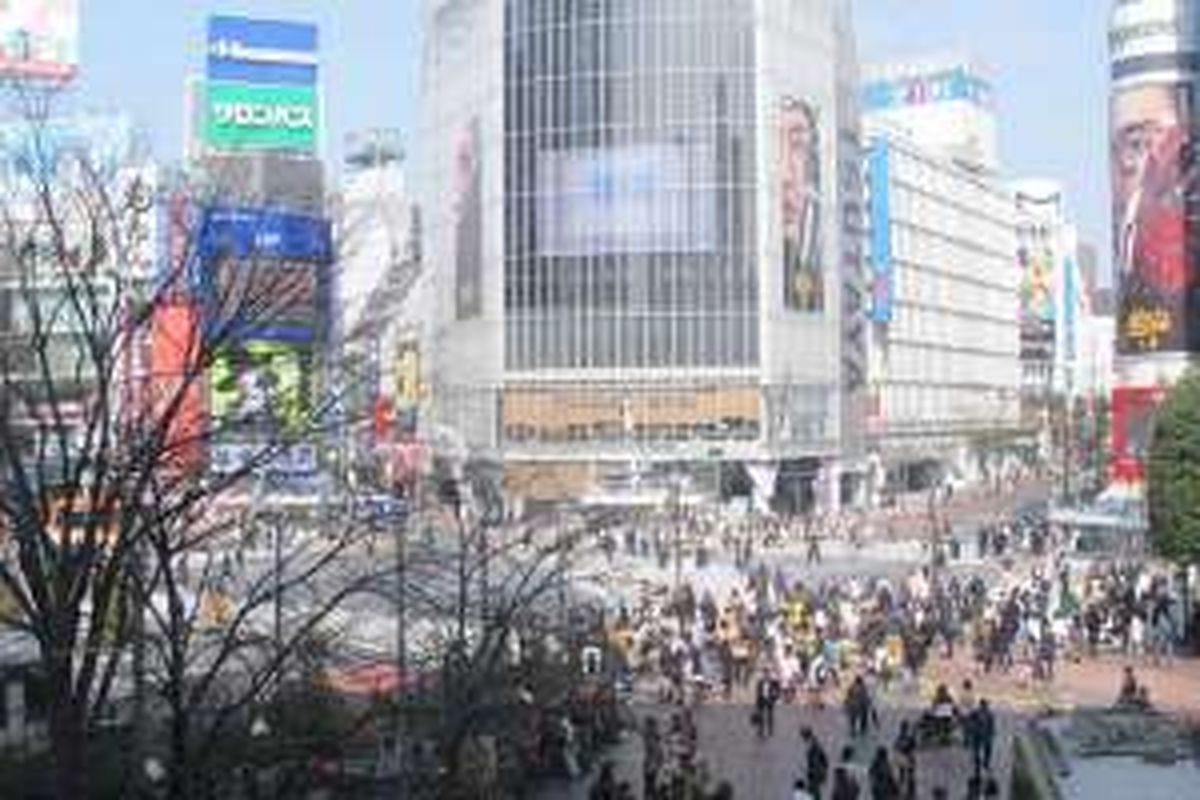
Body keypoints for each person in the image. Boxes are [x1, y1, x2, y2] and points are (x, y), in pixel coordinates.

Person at [965, 700, 995, 776]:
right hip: (978, 734)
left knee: (986, 748)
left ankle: (984, 762)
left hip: (982, 734)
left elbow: (991, 725)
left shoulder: (989, 714)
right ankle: (980, 762)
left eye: (985, 706)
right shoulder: (977, 712)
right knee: (979, 749)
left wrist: (991, 733)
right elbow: (969, 720)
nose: (984, 707)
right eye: (984, 705)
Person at [802, 727, 830, 800]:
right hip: (815, 772)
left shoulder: (813, 745)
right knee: (813, 791)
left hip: (816, 773)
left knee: (814, 791)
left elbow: (815, 761)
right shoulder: (813, 742)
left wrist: (811, 772)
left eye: (803, 736)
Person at [893, 720, 917, 800]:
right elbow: (913, 746)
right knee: (907, 775)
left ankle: (905, 790)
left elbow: (896, 747)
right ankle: (909, 791)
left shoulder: (900, 738)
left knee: (904, 775)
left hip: (904, 758)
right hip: (907, 758)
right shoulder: (906, 738)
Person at [754, 670, 782, 738]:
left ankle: (770, 730)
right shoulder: (760, 682)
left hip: (769, 699)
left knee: (770, 716)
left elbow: (778, 689)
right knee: (761, 716)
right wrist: (758, 699)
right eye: (765, 674)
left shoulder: (773, 682)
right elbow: (758, 691)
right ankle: (761, 730)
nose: (766, 675)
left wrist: (775, 697)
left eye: (767, 674)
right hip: (762, 700)